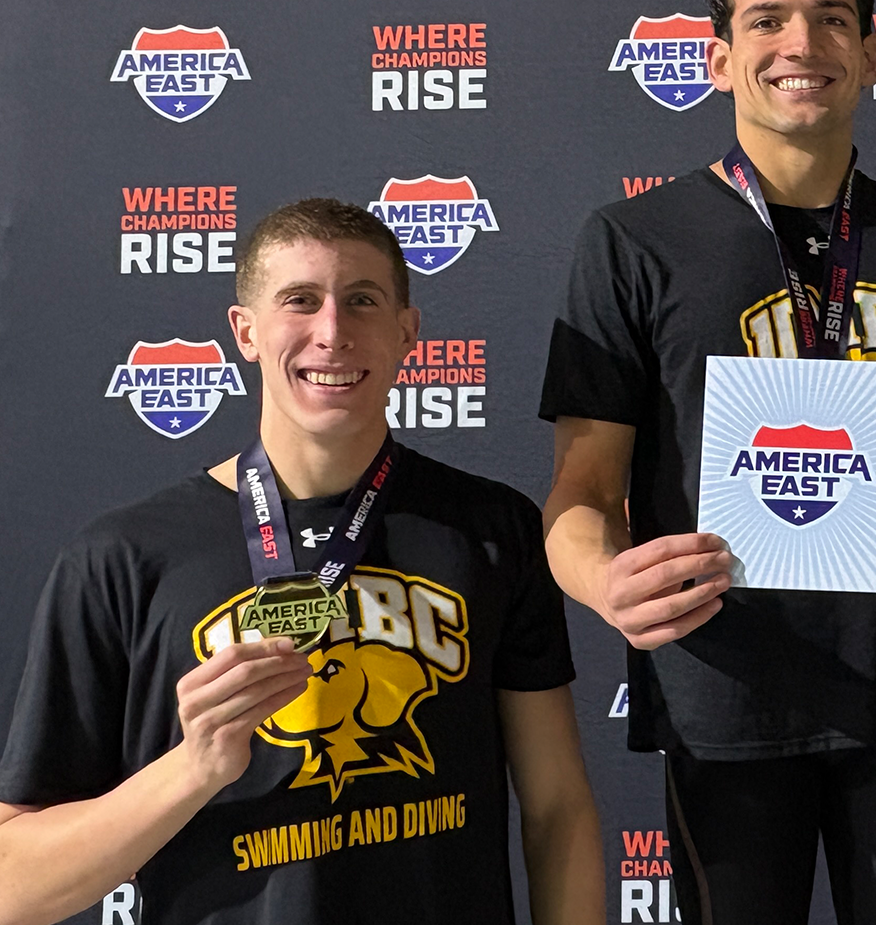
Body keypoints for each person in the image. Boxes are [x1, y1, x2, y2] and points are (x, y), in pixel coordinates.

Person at [0, 198, 601, 925]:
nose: (332, 332)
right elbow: (15, 888)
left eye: (362, 301)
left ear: (408, 332)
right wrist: (193, 768)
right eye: (300, 302)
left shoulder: (491, 530)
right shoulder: (123, 558)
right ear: (245, 333)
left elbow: (556, 808)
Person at [539, 0, 876, 925]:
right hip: (723, 685)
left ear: (872, 52)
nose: (801, 44)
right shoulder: (634, 241)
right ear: (719, 59)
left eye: (830, 20)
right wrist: (605, 581)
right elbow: (581, 488)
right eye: (767, 20)